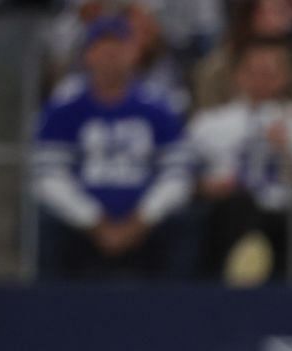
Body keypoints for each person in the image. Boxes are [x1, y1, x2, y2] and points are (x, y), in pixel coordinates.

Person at [33, 16, 194, 280]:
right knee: (45, 224)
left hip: (146, 221)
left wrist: (142, 219)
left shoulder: (159, 107)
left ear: (134, 53)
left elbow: (177, 175)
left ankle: (181, 309)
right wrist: (93, 221)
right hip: (80, 223)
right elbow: (49, 176)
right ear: (87, 55)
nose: (111, 56)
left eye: (118, 47)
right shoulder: (64, 109)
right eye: (102, 48)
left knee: (185, 222)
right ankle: (49, 308)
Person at [187, 38, 292, 282]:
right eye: (253, 72)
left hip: (285, 216)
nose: (261, 80)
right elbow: (185, 175)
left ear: (285, 77)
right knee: (237, 207)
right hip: (234, 213)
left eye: (270, 73)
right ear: (238, 76)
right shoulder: (208, 125)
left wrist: (288, 150)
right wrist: (204, 186)